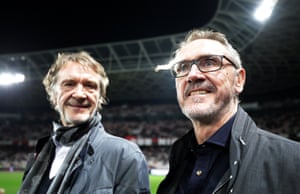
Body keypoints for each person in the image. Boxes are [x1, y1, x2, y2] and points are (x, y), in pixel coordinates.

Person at [157, 29, 300, 194]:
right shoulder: (178, 156)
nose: (192, 75)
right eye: (182, 67)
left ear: (238, 80)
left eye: (209, 62)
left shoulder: (294, 161)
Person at [18, 51, 150, 194]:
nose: (80, 94)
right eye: (69, 84)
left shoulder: (125, 155)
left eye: (90, 86)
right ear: (54, 95)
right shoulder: (39, 155)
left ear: (100, 98)